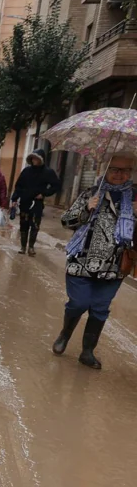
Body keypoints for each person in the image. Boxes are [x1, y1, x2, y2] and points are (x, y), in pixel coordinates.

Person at [52, 154, 136, 370]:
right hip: (82, 261)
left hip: (115, 266)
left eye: (126, 170)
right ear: (106, 169)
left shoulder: (135, 198)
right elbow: (66, 221)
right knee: (78, 303)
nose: (121, 174)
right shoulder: (91, 193)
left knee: (100, 308)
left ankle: (87, 351)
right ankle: (65, 334)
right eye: (115, 169)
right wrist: (86, 208)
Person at [10, 148, 62, 256]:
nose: (34, 160)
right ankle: (23, 246)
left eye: (36, 158)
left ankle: (31, 247)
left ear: (41, 159)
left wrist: (44, 193)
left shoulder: (48, 172)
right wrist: (14, 199)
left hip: (37, 203)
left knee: (35, 225)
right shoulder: (26, 171)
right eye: (32, 158)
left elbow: (56, 186)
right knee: (23, 224)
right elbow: (19, 186)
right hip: (25, 202)